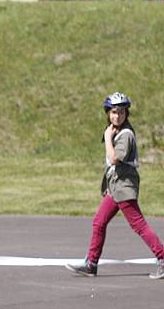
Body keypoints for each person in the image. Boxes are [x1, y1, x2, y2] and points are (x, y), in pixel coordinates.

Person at [66, 92, 164, 280]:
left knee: (139, 225)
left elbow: (113, 158)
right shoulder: (117, 131)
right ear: (108, 113)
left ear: (126, 114)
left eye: (121, 112)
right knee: (99, 222)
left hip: (124, 187)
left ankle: (163, 257)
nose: (117, 116)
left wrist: (107, 138)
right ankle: (91, 264)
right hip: (115, 188)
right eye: (113, 112)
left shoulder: (125, 134)